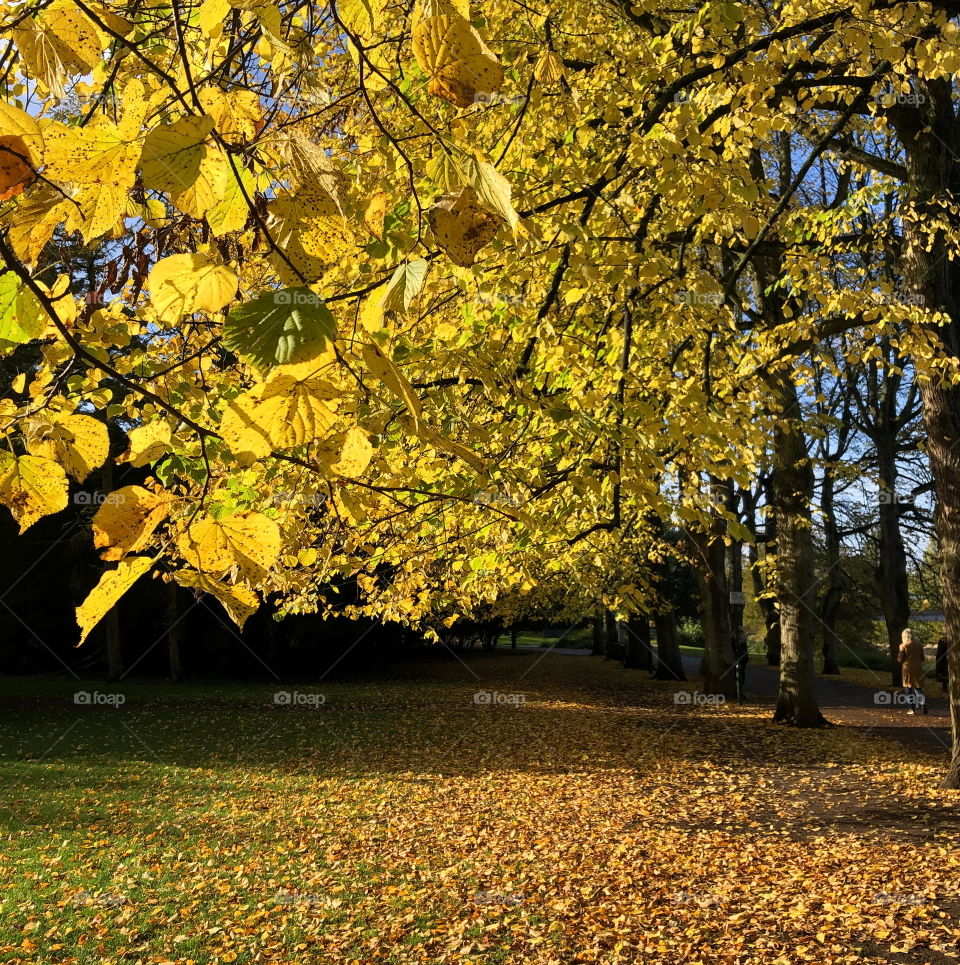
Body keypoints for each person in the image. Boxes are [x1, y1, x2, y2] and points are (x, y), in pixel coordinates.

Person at [898, 627, 927, 715]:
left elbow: (900, 659)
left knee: (908, 688)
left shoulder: (903, 646)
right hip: (918, 668)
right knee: (918, 687)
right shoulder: (919, 645)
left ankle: (912, 709)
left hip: (908, 669)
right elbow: (922, 658)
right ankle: (923, 703)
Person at [732, 626, 749, 703]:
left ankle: (740, 693)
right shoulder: (734, 640)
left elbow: (745, 652)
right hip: (737, 660)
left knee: (742, 677)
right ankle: (739, 695)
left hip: (742, 660)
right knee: (738, 676)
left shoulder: (743, 641)